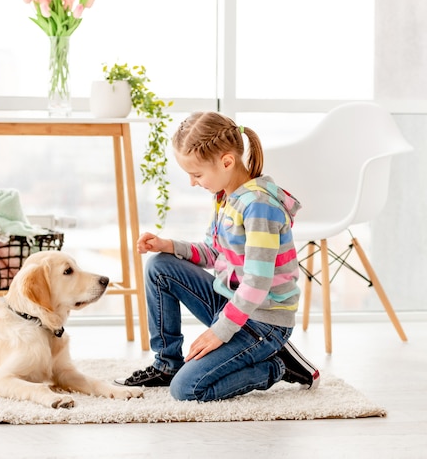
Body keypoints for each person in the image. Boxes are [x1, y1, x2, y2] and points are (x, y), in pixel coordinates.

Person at [114, 111, 320, 402]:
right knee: (159, 266)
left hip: (264, 321)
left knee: (186, 389)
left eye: (197, 174)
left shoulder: (260, 207)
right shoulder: (226, 198)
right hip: (233, 305)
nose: (193, 183)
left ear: (226, 161)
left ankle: (275, 366)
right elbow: (214, 253)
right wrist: (168, 244)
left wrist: (219, 332)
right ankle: (166, 364)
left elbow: (258, 282)